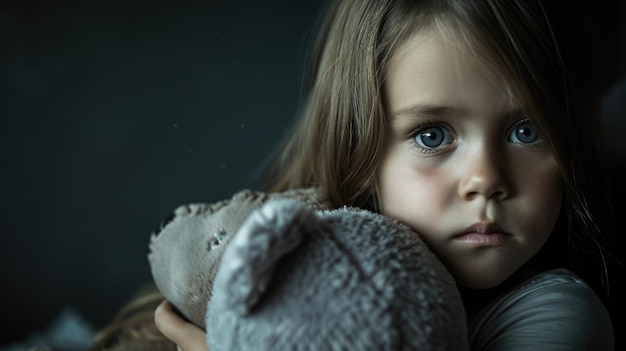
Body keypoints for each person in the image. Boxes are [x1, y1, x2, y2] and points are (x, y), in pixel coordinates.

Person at [153, 0, 619, 349]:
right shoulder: (272, 265)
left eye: (526, 130)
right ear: (364, 151)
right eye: (432, 136)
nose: (485, 179)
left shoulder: (558, 319)